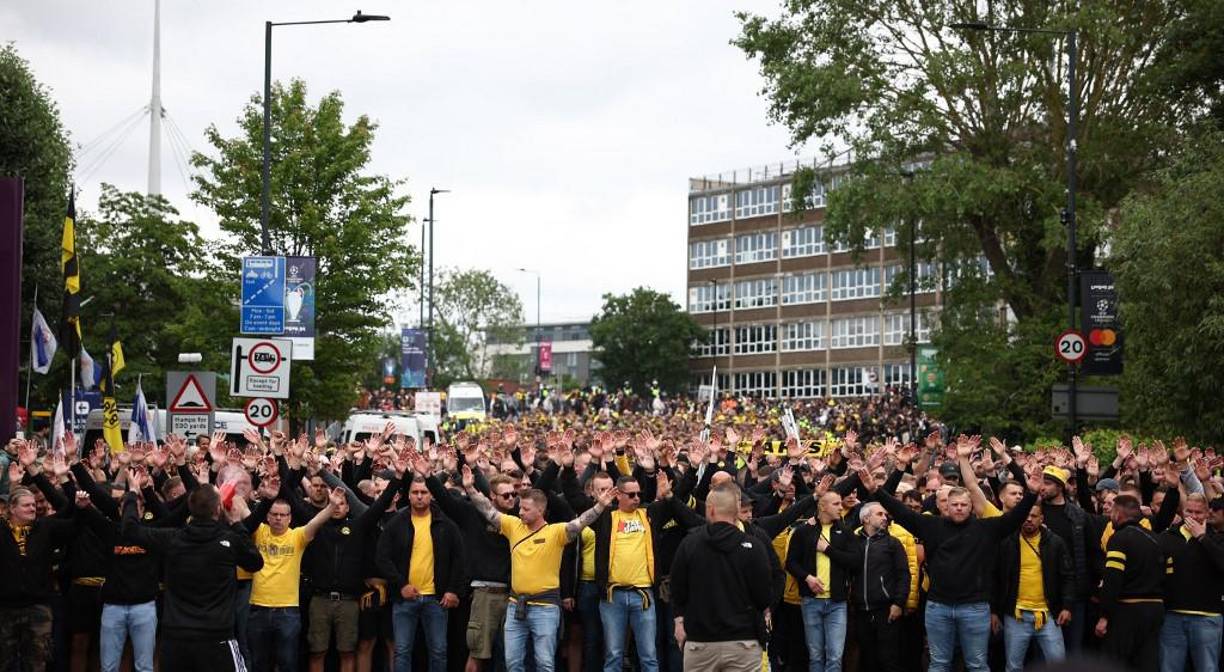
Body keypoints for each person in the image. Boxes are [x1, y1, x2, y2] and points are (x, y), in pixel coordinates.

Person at [858, 435, 1037, 672]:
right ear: (945, 506)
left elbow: (1014, 518)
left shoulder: (987, 528)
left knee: (977, 664)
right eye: (955, 505)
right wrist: (875, 491)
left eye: (964, 504)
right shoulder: (931, 526)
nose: (959, 508)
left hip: (974, 607)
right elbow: (901, 512)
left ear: (972, 506)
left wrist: (1032, 494)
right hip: (938, 607)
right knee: (939, 663)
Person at [461, 465, 615, 672]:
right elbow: (487, 510)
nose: (519, 511)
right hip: (516, 606)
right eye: (520, 507)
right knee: (513, 663)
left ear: (540, 510)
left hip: (545, 607)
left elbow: (580, 522)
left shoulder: (556, 532)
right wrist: (470, 489)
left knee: (544, 663)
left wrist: (600, 507)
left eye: (525, 508)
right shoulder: (512, 526)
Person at [117, 483, 264, 671]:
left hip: (176, 640)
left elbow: (131, 530)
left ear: (190, 508)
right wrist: (236, 523)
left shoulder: (172, 539)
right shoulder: (229, 540)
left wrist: (131, 494)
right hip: (217, 638)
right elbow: (256, 562)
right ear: (219, 508)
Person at [669, 486, 773, 671]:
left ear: (711, 509)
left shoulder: (689, 544)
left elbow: (677, 591)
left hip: (700, 643)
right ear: (736, 511)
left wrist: (679, 622)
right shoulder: (754, 546)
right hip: (743, 643)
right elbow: (764, 596)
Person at [375, 475, 464, 672]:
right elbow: (382, 558)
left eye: (423, 492)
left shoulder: (445, 524)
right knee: (402, 651)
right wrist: (401, 585)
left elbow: (459, 559)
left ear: (431, 495)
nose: (420, 496)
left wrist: (452, 590)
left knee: (439, 651)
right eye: (415, 493)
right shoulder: (397, 523)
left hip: (437, 599)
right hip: (405, 598)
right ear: (408, 495)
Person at [247, 486, 340, 672]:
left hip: (287, 611)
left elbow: (315, 522)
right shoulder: (259, 531)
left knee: (288, 663)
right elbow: (240, 508)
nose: (278, 518)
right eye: (274, 514)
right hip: (258, 608)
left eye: (283, 515)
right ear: (267, 516)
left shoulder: (297, 536)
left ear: (290, 518)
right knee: (258, 663)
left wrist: (331, 507)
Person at [820, 501, 910, 672]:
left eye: (885, 514)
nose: (885, 518)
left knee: (889, 659)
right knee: (867, 659)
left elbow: (903, 574)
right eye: (880, 514)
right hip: (860, 610)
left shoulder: (893, 543)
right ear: (866, 518)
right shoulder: (853, 542)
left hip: (886, 609)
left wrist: (898, 603)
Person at [0, 486, 77, 671]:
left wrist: (44, 477)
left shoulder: (45, 527)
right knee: (4, 662)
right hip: (5, 608)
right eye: (26, 505)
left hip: (38, 607)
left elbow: (69, 510)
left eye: (34, 505)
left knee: (37, 662)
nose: (33, 508)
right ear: (12, 508)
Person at [991, 502, 1074, 672]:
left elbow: (1067, 577)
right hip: (1015, 615)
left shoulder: (1055, 543)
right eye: (1025, 516)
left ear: (1042, 519)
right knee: (1013, 667)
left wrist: (1067, 606)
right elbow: (995, 578)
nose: (1029, 519)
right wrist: (994, 611)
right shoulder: (1007, 542)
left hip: (1049, 615)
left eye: (1034, 516)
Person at [1095, 494, 1165, 672]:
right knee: (1147, 662)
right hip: (1155, 610)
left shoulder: (1119, 539)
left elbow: (1113, 579)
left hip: (1127, 611)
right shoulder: (1156, 539)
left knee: (1117, 663)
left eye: (1112, 513)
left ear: (1118, 514)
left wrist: (1104, 615)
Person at [785, 490, 852, 672]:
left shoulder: (844, 531)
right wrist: (807, 578)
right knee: (815, 656)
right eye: (836, 504)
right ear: (822, 506)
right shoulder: (804, 531)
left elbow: (854, 560)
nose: (841, 507)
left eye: (841, 503)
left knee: (835, 656)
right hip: (811, 600)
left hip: (837, 602)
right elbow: (790, 562)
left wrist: (828, 550)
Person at [1157, 493, 1224, 672]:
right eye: (1189, 511)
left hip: (1208, 617)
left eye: (1198, 512)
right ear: (1182, 511)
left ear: (1207, 514)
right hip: (1172, 616)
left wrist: (1202, 538)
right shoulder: (1167, 537)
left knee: (1207, 668)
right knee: (1169, 668)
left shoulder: (1217, 537)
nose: (1193, 516)